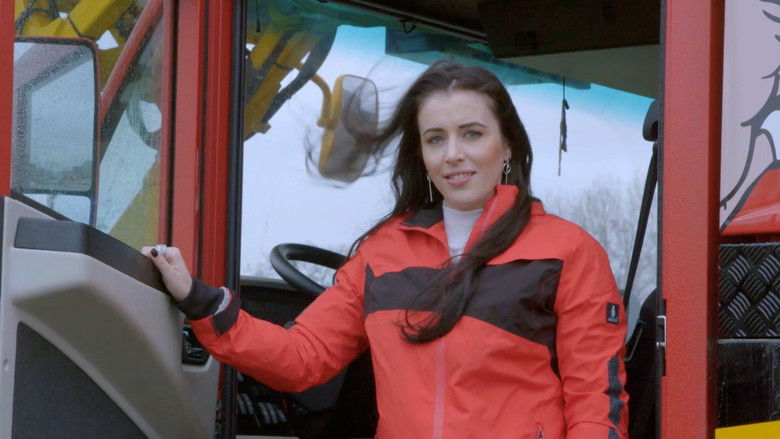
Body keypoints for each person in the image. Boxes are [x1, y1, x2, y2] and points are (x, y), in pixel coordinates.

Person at [143, 61, 629, 439]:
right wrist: (201, 301)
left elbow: (596, 406)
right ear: (422, 155)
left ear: (507, 147)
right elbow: (302, 357)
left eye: (472, 134)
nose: (453, 154)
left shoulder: (568, 252)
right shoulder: (384, 251)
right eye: (435, 139)